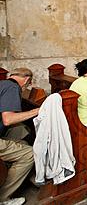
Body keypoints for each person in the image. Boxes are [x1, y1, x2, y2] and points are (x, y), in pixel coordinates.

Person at [0, 68, 39, 204]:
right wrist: (38, 110)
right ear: (27, 80)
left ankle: (20, 172)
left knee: (22, 132)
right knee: (29, 153)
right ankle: (3, 198)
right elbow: (8, 119)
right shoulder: (12, 87)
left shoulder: (3, 83)